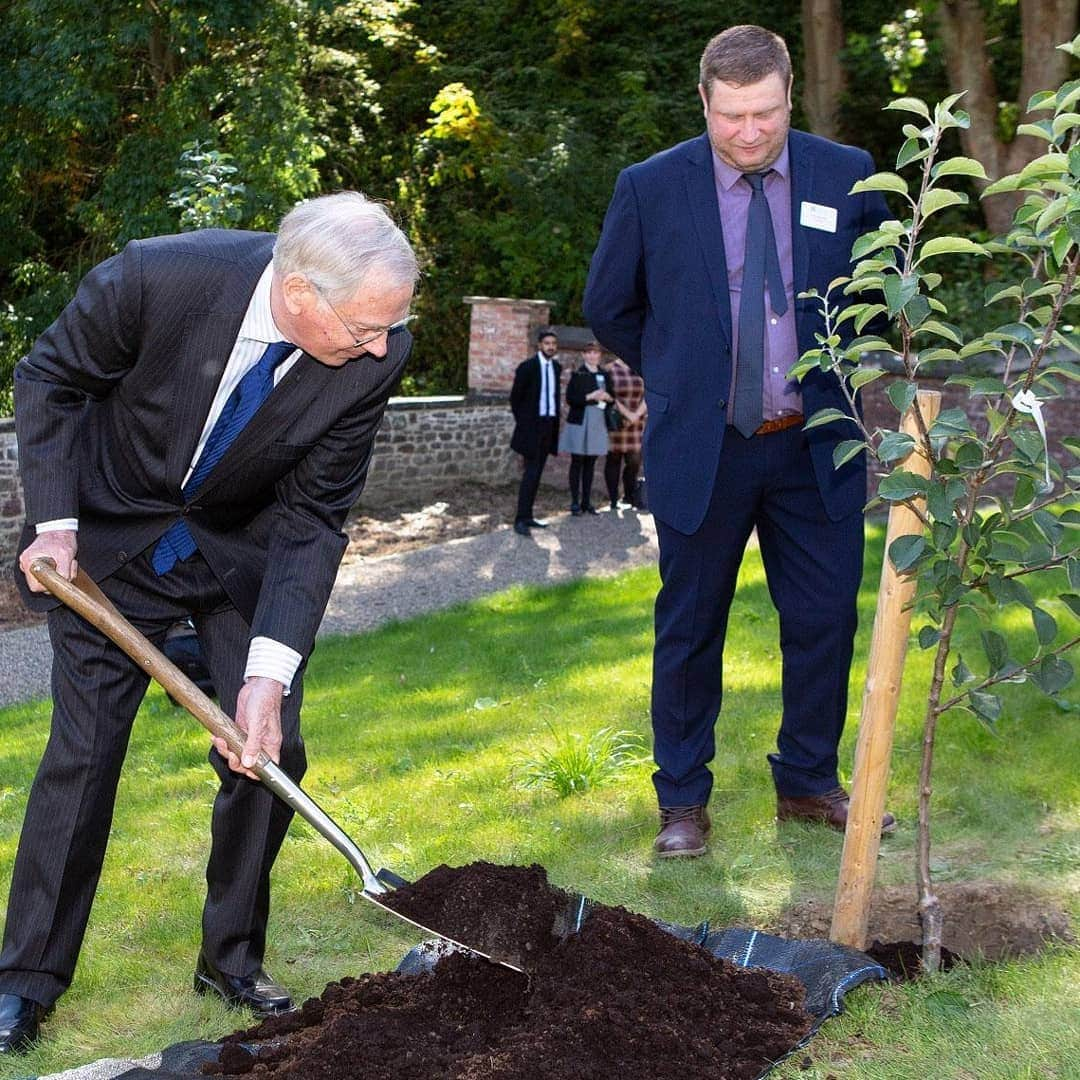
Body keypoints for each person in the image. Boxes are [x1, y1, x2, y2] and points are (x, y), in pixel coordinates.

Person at [0, 191, 419, 1053]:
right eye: (366, 328)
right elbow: (52, 377)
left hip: (240, 556)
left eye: (390, 328)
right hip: (105, 554)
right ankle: (26, 980)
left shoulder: (378, 350)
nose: (382, 346)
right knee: (82, 757)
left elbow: (314, 516)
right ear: (300, 293)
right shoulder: (158, 277)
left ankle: (229, 958)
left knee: (271, 751)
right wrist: (56, 518)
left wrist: (266, 676)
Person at [583, 24, 896, 858]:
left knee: (825, 620)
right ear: (704, 102)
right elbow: (610, 302)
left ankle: (806, 782)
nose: (750, 132)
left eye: (765, 113)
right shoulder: (651, 187)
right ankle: (681, 802)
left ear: (790, 96)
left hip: (814, 446)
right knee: (689, 630)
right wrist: (682, 369)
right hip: (705, 448)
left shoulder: (848, 174)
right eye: (731, 116)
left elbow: (875, 294)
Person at [509, 328, 561, 536]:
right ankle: (520, 519)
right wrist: (525, 424)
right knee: (530, 474)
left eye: (553, 344)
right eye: (547, 343)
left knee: (537, 473)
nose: (551, 347)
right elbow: (515, 399)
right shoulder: (527, 367)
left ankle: (528, 516)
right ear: (540, 345)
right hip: (531, 428)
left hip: (549, 427)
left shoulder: (556, 367)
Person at [558, 340, 614, 515]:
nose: (592, 355)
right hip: (580, 421)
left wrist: (607, 397)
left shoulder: (605, 375)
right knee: (577, 461)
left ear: (600, 355)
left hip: (598, 421)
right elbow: (571, 399)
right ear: (583, 355)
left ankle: (586, 502)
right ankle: (574, 501)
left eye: (595, 352)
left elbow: (613, 399)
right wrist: (590, 395)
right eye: (588, 352)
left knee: (591, 463)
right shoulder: (578, 374)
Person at [603, 353, 646, 510]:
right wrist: (627, 415)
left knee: (634, 461)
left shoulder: (641, 367)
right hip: (617, 421)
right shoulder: (609, 370)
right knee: (614, 459)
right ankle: (613, 499)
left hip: (637, 422)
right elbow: (610, 396)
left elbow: (649, 393)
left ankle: (629, 496)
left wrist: (635, 416)